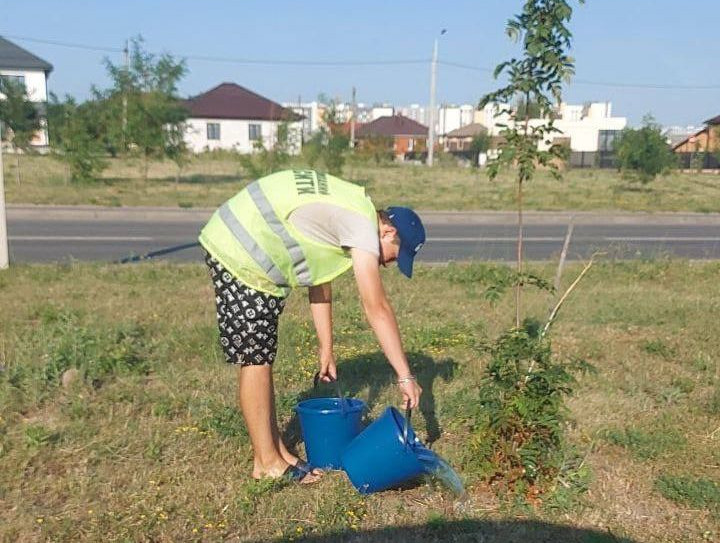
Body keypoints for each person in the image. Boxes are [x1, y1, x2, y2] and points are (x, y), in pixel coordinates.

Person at [198, 169, 425, 484]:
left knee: (261, 355)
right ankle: (266, 464)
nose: (384, 265)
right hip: (241, 248)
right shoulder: (360, 226)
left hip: (245, 243)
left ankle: (276, 450)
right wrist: (405, 375)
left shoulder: (351, 210)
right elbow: (377, 307)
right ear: (387, 231)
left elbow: (320, 283)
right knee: (255, 359)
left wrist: (326, 348)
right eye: (391, 259)